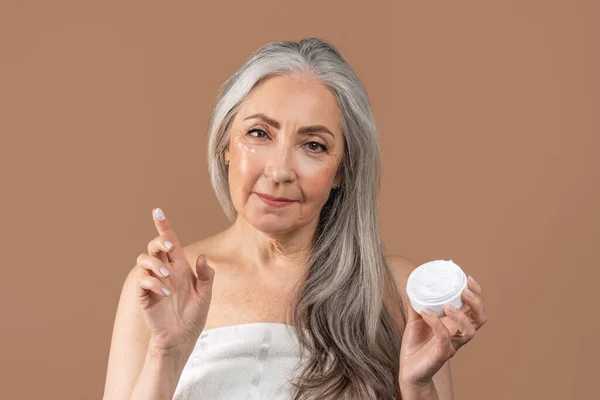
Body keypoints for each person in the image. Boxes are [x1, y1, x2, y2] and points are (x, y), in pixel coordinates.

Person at [103, 37, 487, 400]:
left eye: (314, 145)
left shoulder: (397, 290)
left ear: (342, 170)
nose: (280, 170)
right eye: (258, 133)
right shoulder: (161, 286)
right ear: (225, 145)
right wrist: (165, 354)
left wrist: (417, 388)